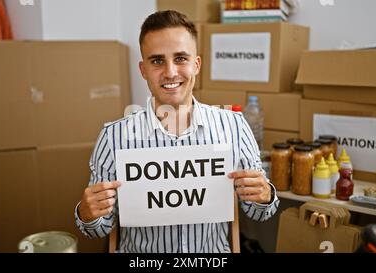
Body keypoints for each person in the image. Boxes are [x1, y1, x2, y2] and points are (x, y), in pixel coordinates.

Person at [75, 10, 279, 253]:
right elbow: (97, 229)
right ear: (143, 69)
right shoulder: (114, 138)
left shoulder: (234, 127)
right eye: (157, 61)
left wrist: (265, 195)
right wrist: (86, 214)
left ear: (196, 64)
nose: (170, 72)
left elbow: (259, 212)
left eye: (181, 58)